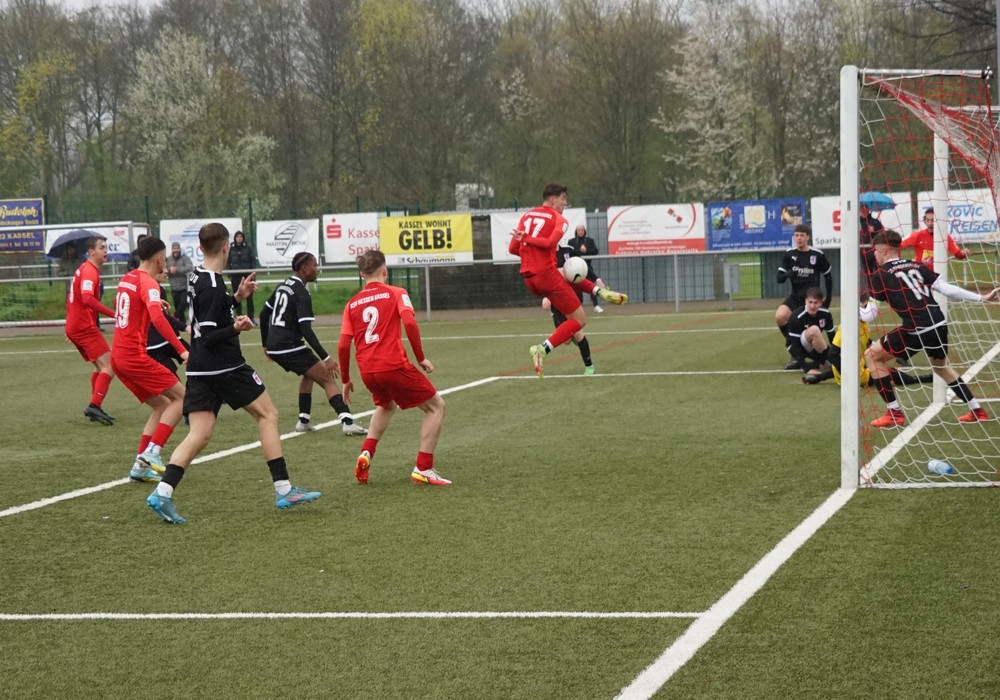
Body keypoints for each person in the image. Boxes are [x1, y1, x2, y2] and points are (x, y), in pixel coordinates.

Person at [146, 222, 320, 524]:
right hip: (225, 366)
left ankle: (163, 492)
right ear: (226, 247)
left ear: (201, 248)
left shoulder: (199, 276)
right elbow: (210, 334)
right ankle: (284, 489)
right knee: (268, 415)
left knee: (200, 434)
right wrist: (236, 328)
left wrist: (236, 299)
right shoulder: (213, 285)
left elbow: (208, 315)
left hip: (200, 369)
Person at [864, 229, 1000, 427]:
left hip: (916, 328)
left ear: (883, 250)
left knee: (871, 356)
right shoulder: (917, 265)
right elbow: (946, 288)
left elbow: (870, 315)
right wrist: (982, 297)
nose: (874, 255)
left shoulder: (880, 275)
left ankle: (894, 412)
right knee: (940, 367)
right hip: (939, 323)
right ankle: (977, 410)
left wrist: (855, 311)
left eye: (875, 250)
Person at [337, 249, 450, 486]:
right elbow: (409, 322)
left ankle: (366, 452)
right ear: (385, 271)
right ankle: (424, 468)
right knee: (436, 407)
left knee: (386, 405)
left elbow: (344, 345)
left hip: (368, 371)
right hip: (392, 365)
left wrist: (346, 379)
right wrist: (421, 358)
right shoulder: (396, 292)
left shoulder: (351, 304)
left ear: (362, 275)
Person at [509, 183, 628, 378]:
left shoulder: (527, 216)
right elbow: (549, 242)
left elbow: (513, 248)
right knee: (580, 320)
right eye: (563, 198)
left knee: (566, 274)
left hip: (529, 279)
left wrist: (529, 246)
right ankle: (542, 349)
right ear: (553, 199)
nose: (566, 203)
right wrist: (530, 240)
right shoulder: (559, 219)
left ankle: (600, 292)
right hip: (546, 276)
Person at [259, 252, 367, 435]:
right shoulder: (302, 293)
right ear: (304, 268)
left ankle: (303, 421)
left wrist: (265, 344)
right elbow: (306, 331)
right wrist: (327, 358)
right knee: (327, 379)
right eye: (315, 265)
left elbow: (263, 314)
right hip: (289, 346)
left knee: (309, 374)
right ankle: (347, 422)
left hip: (276, 346)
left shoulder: (282, 285)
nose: (318, 269)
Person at [110, 236, 190, 483]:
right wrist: (182, 350)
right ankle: (152, 452)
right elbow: (158, 320)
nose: (165, 262)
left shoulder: (128, 278)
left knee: (161, 405)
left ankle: (140, 466)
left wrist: (151, 303)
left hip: (118, 357)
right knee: (182, 398)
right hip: (134, 356)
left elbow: (123, 304)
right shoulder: (150, 283)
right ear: (158, 259)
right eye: (164, 258)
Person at [802, 291, 933, 388]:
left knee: (870, 361)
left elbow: (865, 342)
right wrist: (850, 377)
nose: (867, 310)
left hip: (852, 369)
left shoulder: (863, 323)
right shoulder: (848, 326)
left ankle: (820, 378)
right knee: (888, 372)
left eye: (867, 307)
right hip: (854, 377)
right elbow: (833, 355)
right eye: (863, 307)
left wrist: (819, 377)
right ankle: (920, 379)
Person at [65, 235, 116, 425]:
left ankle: (96, 407)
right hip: (83, 327)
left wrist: (70, 326)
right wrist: (114, 314)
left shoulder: (86, 269)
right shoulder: (89, 271)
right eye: (101, 247)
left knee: (100, 366)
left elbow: (74, 298)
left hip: (77, 326)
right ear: (91, 252)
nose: (105, 251)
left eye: (106, 247)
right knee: (110, 366)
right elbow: (87, 298)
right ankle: (94, 405)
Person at [775, 224, 832, 370]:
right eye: (796, 235)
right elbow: (779, 278)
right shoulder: (789, 254)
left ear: (808, 237)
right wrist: (788, 274)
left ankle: (826, 355)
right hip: (795, 297)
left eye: (802, 235)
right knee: (780, 316)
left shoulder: (817, 255)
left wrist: (828, 298)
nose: (798, 238)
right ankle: (794, 352)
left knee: (814, 327)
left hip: (811, 300)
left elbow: (828, 276)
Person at [541, 245, 595, 375]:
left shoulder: (568, 251)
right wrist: (545, 297)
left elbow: (583, 268)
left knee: (578, 332)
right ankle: (572, 338)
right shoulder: (545, 255)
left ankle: (589, 366)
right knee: (566, 340)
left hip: (571, 297)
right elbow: (545, 279)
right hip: (556, 299)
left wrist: (596, 279)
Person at [785, 287, 835, 373]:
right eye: (810, 302)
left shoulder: (825, 314)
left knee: (831, 363)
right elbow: (794, 344)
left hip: (812, 346)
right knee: (814, 330)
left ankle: (826, 363)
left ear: (821, 303)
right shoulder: (797, 316)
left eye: (815, 303)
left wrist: (835, 355)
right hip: (795, 347)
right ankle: (827, 362)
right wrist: (805, 368)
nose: (812, 306)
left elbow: (832, 337)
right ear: (805, 301)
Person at [900, 208, 969, 267]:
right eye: (927, 220)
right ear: (925, 221)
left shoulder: (945, 237)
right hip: (921, 275)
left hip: (939, 275)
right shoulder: (917, 235)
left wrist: (964, 253)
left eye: (933, 220)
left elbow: (958, 255)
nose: (930, 223)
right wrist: (898, 262)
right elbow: (896, 245)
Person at [568, 224, 608, 312]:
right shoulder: (571, 242)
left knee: (591, 286)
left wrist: (586, 251)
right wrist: (579, 250)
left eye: (582, 230)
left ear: (584, 231)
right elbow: (570, 253)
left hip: (587, 267)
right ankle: (579, 306)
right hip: (575, 269)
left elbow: (595, 251)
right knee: (577, 288)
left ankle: (596, 305)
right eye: (579, 230)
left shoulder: (590, 241)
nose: (580, 232)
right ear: (576, 231)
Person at [227, 230, 258, 321]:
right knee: (237, 296)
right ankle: (239, 316)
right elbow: (228, 262)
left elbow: (253, 260)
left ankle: (251, 318)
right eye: (238, 237)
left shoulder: (248, 248)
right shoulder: (231, 249)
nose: (239, 238)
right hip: (236, 277)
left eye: (241, 237)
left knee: (249, 298)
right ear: (235, 238)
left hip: (247, 277)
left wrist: (252, 274)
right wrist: (230, 274)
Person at [166, 242, 194, 321]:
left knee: (183, 303)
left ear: (180, 249)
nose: (176, 250)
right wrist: (170, 270)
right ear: (172, 249)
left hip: (184, 286)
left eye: (177, 248)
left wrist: (178, 270)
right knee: (178, 306)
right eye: (174, 248)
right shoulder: (168, 259)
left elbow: (190, 267)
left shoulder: (185, 258)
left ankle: (174, 316)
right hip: (174, 287)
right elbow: (164, 269)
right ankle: (182, 324)